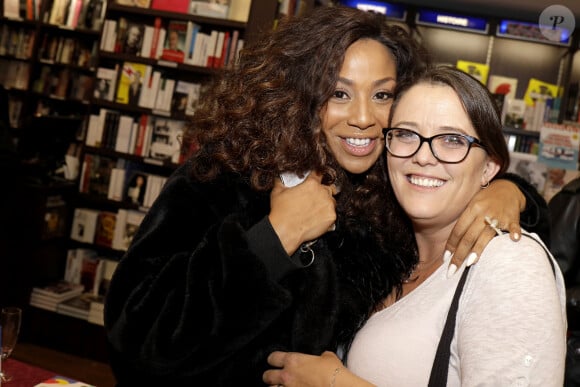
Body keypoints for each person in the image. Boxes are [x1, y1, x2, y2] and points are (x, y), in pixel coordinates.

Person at [105, 7, 547, 386]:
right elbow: (136, 334)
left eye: (382, 95)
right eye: (338, 93)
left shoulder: (395, 194)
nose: (362, 118)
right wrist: (274, 238)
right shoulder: (227, 176)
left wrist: (513, 191)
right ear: (298, 96)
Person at [264, 66, 566, 386]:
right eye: (407, 134)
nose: (423, 156)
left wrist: (335, 382)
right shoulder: (393, 255)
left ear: (489, 166)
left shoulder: (510, 263)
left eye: (451, 140)